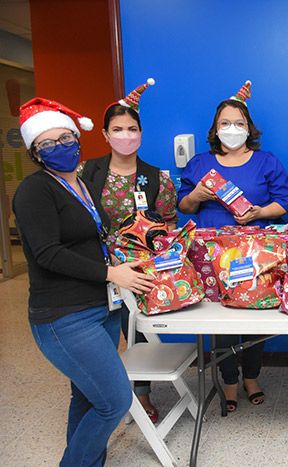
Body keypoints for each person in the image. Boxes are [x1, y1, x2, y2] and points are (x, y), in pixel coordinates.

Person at [13, 98, 155, 466]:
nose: (59, 146)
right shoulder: (34, 190)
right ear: (35, 153)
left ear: (77, 139)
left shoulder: (85, 185)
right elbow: (48, 253)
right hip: (64, 316)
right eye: (47, 143)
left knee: (89, 398)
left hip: (100, 307)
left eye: (65, 138)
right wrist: (111, 274)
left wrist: (122, 262)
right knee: (114, 401)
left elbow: (93, 240)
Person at [178, 81, 288, 412]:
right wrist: (196, 195)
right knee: (221, 320)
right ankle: (229, 379)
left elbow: (285, 202)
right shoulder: (200, 163)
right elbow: (183, 207)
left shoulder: (266, 161)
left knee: (255, 316)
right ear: (215, 128)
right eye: (225, 123)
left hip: (256, 254)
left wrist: (259, 213)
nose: (232, 129)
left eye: (239, 123)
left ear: (249, 127)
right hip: (212, 255)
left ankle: (252, 377)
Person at [79, 78, 178, 423]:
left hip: (138, 270)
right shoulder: (85, 173)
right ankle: (99, 397)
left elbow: (168, 225)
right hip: (96, 268)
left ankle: (142, 395)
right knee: (96, 335)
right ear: (105, 134)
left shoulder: (157, 178)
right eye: (117, 129)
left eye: (131, 129)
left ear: (141, 133)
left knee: (137, 333)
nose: (125, 135)